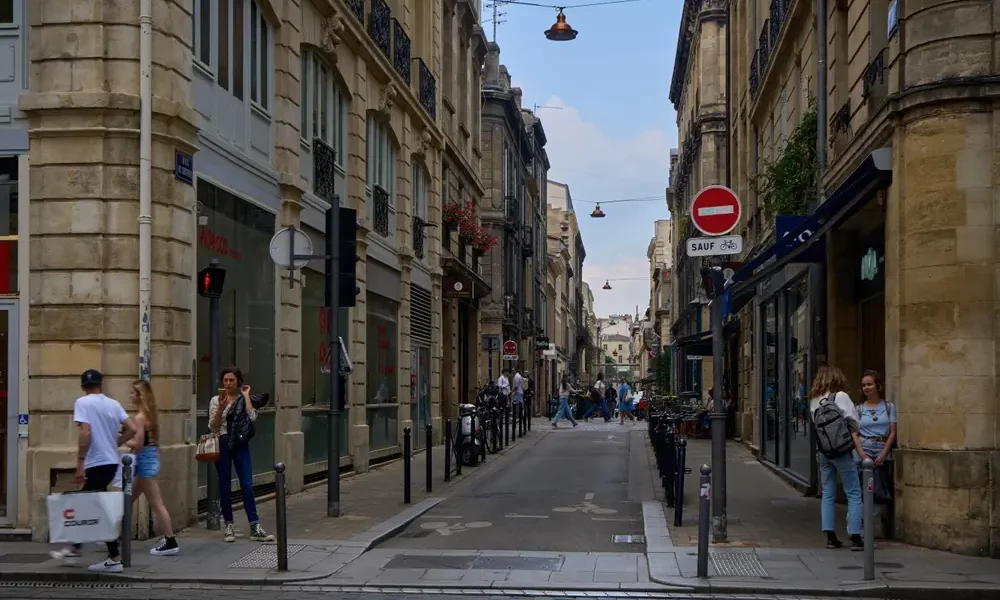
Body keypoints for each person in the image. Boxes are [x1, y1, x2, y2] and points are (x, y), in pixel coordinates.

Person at [50, 370, 143, 573]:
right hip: (111, 461)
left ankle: (112, 556)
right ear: (101, 384)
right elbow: (133, 429)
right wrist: (115, 442)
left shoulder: (82, 403)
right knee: (92, 504)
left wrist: (80, 463)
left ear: (83, 386)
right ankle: (77, 548)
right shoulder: (113, 404)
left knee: (94, 505)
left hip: (96, 462)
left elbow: (85, 433)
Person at [209, 366, 274, 543]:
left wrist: (246, 396)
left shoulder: (242, 399)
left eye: (231, 380)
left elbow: (252, 417)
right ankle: (229, 525)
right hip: (223, 442)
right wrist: (221, 409)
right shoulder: (216, 400)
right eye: (225, 380)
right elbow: (213, 426)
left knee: (247, 483)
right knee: (224, 484)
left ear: (238, 382)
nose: (228, 383)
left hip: (240, 443)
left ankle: (254, 525)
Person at [809, 365, 867, 551]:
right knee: (853, 492)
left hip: (824, 452)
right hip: (842, 451)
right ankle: (855, 535)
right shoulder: (841, 396)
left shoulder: (814, 401)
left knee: (827, 493)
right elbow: (854, 422)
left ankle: (830, 535)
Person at [127, 379, 179, 556]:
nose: (130, 395)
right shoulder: (149, 415)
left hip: (145, 464)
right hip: (149, 460)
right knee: (126, 501)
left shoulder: (140, 417)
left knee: (157, 505)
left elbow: (139, 443)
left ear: (139, 395)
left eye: (133, 392)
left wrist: (124, 440)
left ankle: (171, 541)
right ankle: (114, 536)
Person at [856, 369, 896, 536]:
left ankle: (877, 527)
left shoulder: (888, 407)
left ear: (877, 386)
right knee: (862, 492)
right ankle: (862, 527)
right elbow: (855, 435)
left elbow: (893, 432)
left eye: (870, 384)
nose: (867, 387)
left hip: (881, 452)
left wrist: (882, 455)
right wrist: (863, 455)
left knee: (880, 490)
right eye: (864, 385)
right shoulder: (858, 409)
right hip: (862, 453)